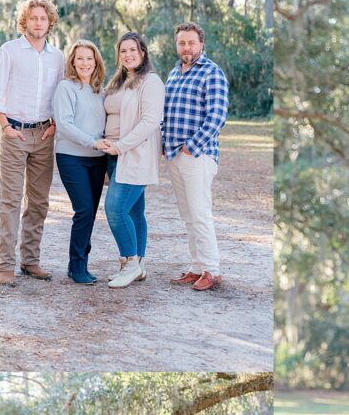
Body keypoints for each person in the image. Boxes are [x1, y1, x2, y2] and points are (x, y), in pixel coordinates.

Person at [0, 0, 64, 287]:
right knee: (11, 200)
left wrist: (55, 123)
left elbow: (61, 95)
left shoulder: (58, 56)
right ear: (24, 21)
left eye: (43, 18)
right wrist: (5, 127)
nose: (38, 22)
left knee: (39, 202)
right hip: (14, 133)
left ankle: (30, 261)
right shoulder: (9, 51)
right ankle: (6, 265)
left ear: (49, 22)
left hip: (43, 135)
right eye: (33, 18)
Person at [163, 22, 230, 292]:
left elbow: (217, 116)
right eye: (182, 43)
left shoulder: (212, 73)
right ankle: (196, 266)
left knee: (200, 212)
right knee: (187, 214)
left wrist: (192, 146)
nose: (186, 48)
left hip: (197, 155)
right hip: (174, 155)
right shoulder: (174, 74)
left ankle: (211, 270)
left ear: (201, 44)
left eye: (191, 43)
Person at [98, 32, 164, 289]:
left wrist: (120, 147)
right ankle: (139, 267)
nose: (128, 54)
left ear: (143, 52)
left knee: (115, 210)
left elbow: (150, 122)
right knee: (135, 210)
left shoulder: (151, 82)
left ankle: (131, 263)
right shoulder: (119, 81)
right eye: (123, 51)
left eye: (132, 50)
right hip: (113, 155)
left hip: (134, 154)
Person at [53, 40, 109, 284]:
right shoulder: (66, 87)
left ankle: (80, 265)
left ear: (96, 61)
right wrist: (93, 142)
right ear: (72, 62)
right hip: (71, 157)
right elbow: (64, 125)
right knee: (84, 209)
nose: (85, 63)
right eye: (80, 58)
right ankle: (77, 267)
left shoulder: (101, 91)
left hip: (97, 160)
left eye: (89, 58)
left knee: (91, 213)